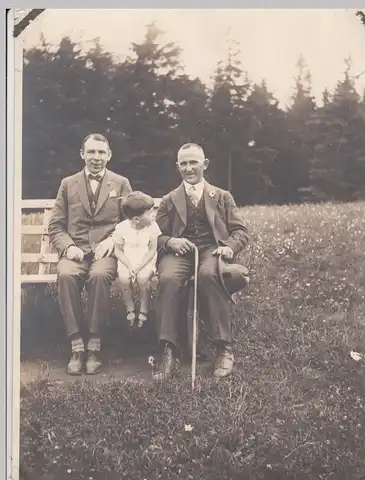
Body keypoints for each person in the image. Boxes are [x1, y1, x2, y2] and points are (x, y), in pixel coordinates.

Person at [153, 143, 249, 381]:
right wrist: (170, 242)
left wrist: (228, 247)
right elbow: (155, 235)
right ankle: (169, 349)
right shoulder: (168, 200)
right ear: (177, 167)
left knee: (208, 275)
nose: (188, 168)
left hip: (211, 250)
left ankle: (223, 347)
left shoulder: (223, 197)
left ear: (204, 164)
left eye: (193, 162)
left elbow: (240, 231)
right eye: (183, 163)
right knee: (168, 278)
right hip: (179, 253)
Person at [48, 133, 132, 375]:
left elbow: (131, 222)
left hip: (105, 253)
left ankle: (94, 344)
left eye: (101, 152)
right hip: (75, 252)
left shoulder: (120, 183)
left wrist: (113, 241)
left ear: (109, 155)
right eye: (91, 152)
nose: (96, 157)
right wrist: (68, 247)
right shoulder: (68, 184)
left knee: (99, 277)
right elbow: (56, 225)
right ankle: (77, 346)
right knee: (65, 276)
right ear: (82, 154)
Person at [113, 191, 161, 328]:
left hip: (145, 260)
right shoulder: (121, 228)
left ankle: (145, 309)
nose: (153, 215)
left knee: (142, 277)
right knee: (123, 277)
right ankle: (130, 308)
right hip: (127, 260)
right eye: (149, 213)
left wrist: (140, 267)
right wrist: (129, 266)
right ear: (136, 219)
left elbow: (152, 250)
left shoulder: (153, 227)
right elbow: (118, 250)